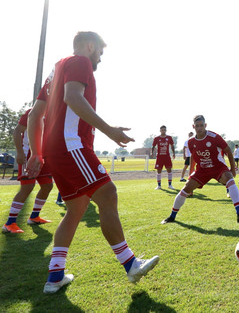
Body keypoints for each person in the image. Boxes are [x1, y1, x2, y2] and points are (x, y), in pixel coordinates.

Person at [26, 31, 158, 294]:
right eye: (100, 51)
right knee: (108, 194)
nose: (100, 58)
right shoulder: (80, 62)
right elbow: (72, 97)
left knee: (75, 210)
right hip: (70, 146)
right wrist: (110, 130)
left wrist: (36, 153)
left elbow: (34, 115)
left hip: (55, 150)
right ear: (90, 46)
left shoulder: (56, 69)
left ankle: (55, 277)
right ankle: (130, 264)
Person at [161, 115, 239, 224]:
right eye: (197, 126)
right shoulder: (190, 142)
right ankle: (172, 217)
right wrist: (190, 173)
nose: (199, 128)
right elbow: (193, 157)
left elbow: (228, 151)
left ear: (205, 125)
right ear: (193, 126)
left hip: (218, 167)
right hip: (202, 170)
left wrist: (232, 169)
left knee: (229, 179)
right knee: (186, 189)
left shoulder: (214, 137)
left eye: (201, 125)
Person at [2, 108, 54, 234]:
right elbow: (17, 132)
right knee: (27, 187)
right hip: (28, 155)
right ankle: (9, 223)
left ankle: (34, 217)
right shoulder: (34, 111)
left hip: (44, 157)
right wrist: (20, 153)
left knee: (47, 186)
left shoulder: (55, 113)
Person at [152, 126, 175, 190]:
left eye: (164, 130)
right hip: (159, 157)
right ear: (160, 130)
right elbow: (153, 146)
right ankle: (159, 186)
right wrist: (152, 153)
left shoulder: (169, 137)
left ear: (166, 130)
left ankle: (170, 185)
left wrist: (174, 153)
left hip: (167, 157)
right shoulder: (156, 138)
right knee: (159, 171)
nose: (163, 131)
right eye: (162, 130)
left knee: (169, 170)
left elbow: (172, 146)